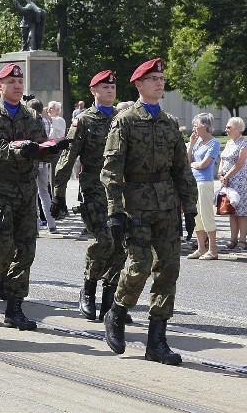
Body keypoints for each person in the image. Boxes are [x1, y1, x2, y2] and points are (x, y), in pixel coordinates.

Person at [101, 58, 197, 365]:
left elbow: (182, 169)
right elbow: (111, 169)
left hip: (167, 205)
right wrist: (115, 210)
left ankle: (157, 340)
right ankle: (116, 311)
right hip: (136, 204)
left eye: (162, 78)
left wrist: (191, 206)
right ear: (139, 85)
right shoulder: (125, 121)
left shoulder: (170, 123)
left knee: (168, 270)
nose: (160, 82)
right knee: (139, 265)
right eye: (153, 78)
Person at [0, 63, 60, 330]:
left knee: (26, 249)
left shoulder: (31, 117)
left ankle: (14, 307)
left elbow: (42, 144)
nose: (17, 86)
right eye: (10, 82)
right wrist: (26, 149)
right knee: (2, 246)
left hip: (26, 188)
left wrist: (52, 149)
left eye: (20, 82)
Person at [52, 70, 127, 321]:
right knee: (105, 240)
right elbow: (68, 157)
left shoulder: (123, 118)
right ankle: (89, 286)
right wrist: (58, 194)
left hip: (121, 190)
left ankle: (110, 297)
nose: (110, 90)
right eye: (104, 87)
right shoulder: (83, 120)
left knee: (122, 244)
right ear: (93, 91)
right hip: (94, 187)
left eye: (112, 87)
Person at [187, 113, 221, 260]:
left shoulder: (214, 143)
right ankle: (201, 248)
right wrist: (191, 144)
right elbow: (187, 161)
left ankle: (213, 249)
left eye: (197, 125)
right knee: (197, 217)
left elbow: (203, 164)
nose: (194, 128)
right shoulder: (198, 142)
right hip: (194, 182)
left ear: (205, 127)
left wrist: (193, 164)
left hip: (204, 183)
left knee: (207, 215)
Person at [219, 117, 247, 251]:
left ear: (237, 128)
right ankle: (233, 239)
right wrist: (221, 174)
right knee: (231, 211)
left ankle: (242, 241)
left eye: (229, 127)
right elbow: (223, 159)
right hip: (228, 181)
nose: (226, 130)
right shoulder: (229, 143)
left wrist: (226, 176)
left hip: (239, 181)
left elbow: (239, 163)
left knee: (241, 212)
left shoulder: (243, 143)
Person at [29, 99, 57, 233]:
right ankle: (52, 224)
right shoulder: (46, 121)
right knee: (45, 193)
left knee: (33, 195)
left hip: (32, 161)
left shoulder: (29, 121)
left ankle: (36, 226)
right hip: (44, 163)